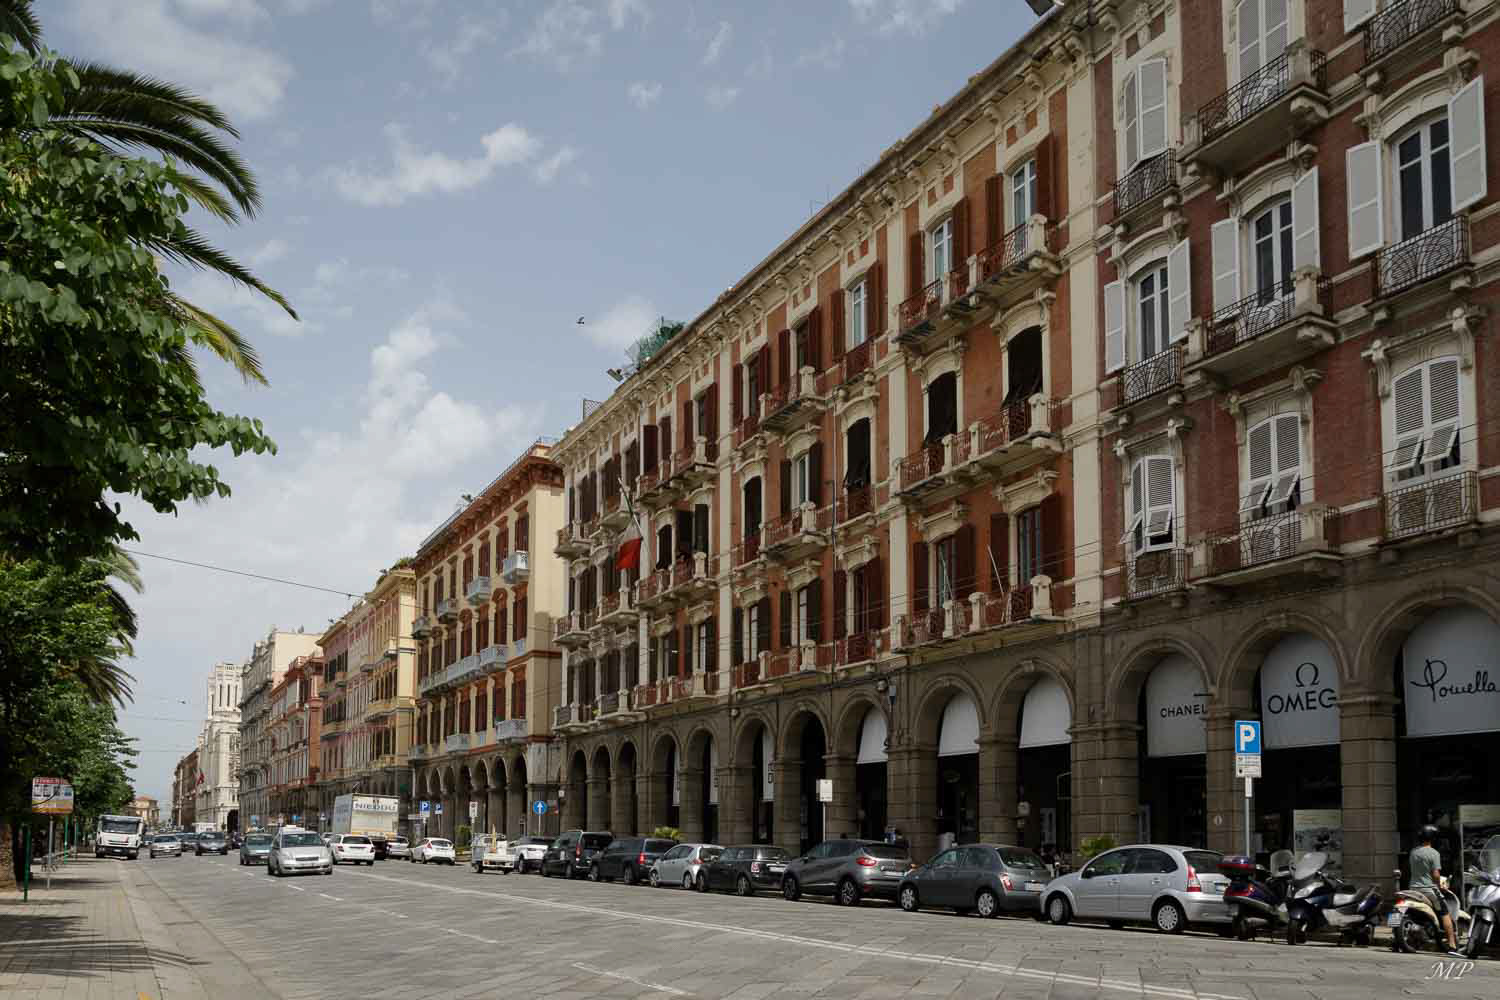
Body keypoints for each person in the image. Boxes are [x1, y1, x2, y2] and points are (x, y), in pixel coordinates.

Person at [1410, 824, 1462, 956]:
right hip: (1428, 889)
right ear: (1433, 838)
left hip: (1413, 888)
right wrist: (1440, 885)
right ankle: (1452, 945)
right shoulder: (1434, 853)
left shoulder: (1413, 852)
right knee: (1445, 913)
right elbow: (1436, 875)